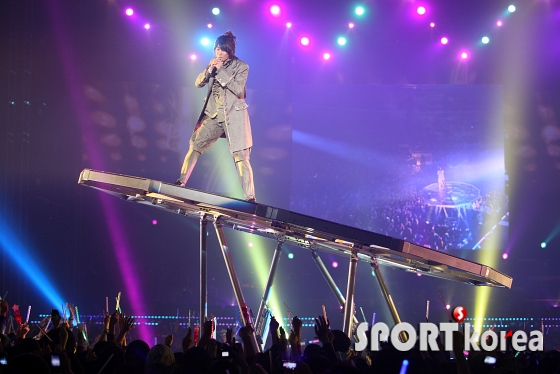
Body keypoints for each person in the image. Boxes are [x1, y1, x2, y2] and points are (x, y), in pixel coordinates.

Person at [176, 31, 256, 203]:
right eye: (217, 49)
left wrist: (219, 72)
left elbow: (238, 89)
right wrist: (209, 70)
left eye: (222, 50)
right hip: (213, 115)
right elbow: (198, 83)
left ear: (230, 50)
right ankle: (181, 182)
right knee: (195, 144)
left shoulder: (242, 66)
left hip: (234, 115)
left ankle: (250, 197)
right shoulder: (213, 64)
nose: (219, 53)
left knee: (241, 156)